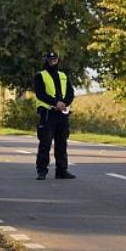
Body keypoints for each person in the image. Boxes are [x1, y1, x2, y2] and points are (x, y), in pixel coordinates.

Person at [33, 51, 75, 180]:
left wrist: (64, 103)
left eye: (55, 59)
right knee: (45, 143)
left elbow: (70, 92)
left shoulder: (63, 75)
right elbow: (40, 94)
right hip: (47, 113)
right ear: (46, 60)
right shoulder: (40, 75)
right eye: (50, 59)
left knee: (62, 143)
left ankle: (62, 171)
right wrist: (56, 103)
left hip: (62, 114)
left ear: (58, 60)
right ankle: (42, 171)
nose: (52, 61)